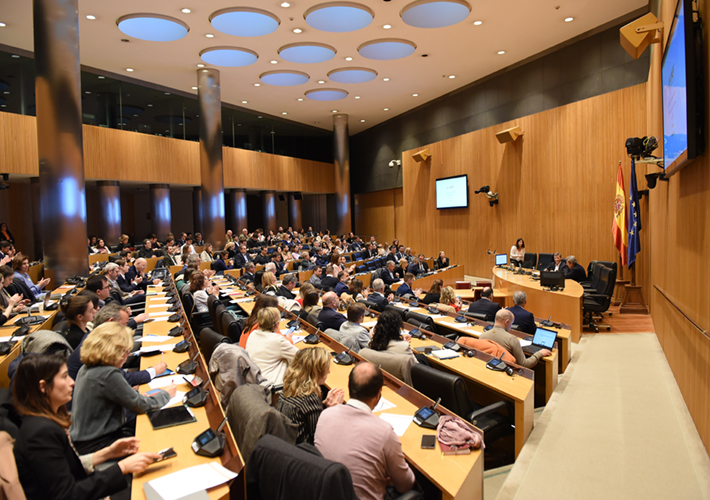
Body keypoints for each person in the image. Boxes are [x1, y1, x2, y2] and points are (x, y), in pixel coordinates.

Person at [12, 354, 162, 500]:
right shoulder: (39, 433)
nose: (72, 382)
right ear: (43, 387)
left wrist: (108, 453)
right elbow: (67, 495)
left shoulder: (44, 422)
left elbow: (66, 468)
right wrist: (121, 467)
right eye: (64, 377)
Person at [315, 362, 416, 500]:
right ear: (378, 394)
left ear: (349, 387)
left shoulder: (325, 415)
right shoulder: (384, 432)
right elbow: (405, 485)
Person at [71, 322, 175, 454]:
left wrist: (135, 396)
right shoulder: (108, 373)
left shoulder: (86, 368)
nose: (126, 358)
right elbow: (140, 405)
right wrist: (166, 394)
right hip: (100, 443)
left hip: (85, 440)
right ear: (114, 351)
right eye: (126, 352)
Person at [275, 347, 345, 445]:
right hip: (302, 450)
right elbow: (320, 435)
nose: (329, 372)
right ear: (317, 372)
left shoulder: (290, 387)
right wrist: (333, 410)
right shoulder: (309, 399)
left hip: (286, 444)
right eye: (326, 369)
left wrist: (323, 405)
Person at [245, 307, 298, 386]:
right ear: (277, 324)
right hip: (270, 388)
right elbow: (300, 356)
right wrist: (289, 340)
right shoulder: (278, 340)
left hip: (251, 382)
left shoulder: (253, 334)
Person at [481, 309, 550, 368]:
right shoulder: (512, 339)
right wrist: (540, 353)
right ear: (507, 322)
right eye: (511, 323)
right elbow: (524, 364)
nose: (510, 326)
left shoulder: (482, 336)